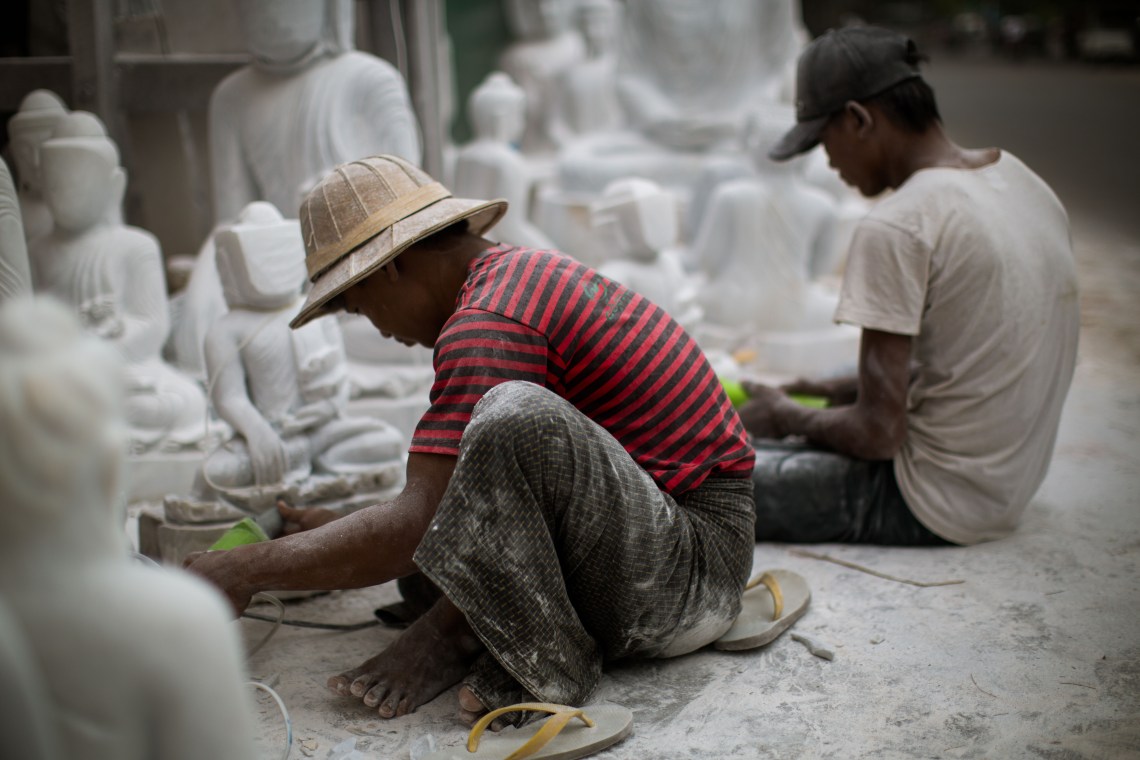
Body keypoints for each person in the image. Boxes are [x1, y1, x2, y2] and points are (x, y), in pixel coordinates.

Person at [185, 155, 755, 724]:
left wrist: (242, 570)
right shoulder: (508, 277)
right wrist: (344, 527)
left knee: (512, 416)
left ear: (389, 267)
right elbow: (456, 502)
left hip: (689, 571)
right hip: (664, 548)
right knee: (453, 516)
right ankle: (464, 627)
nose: (380, 328)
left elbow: (416, 524)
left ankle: (534, 656)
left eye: (362, 308)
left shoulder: (487, 318)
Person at [738, 27, 1079, 547]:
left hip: (927, 502)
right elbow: (972, 356)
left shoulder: (899, 223)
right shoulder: (1022, 181)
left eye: (822, 141)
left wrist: (784, 415)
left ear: (857, 119)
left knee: (699, 477)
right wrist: (828, 389)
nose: (826, 162)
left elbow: (877, 434)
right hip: (1007, 487)